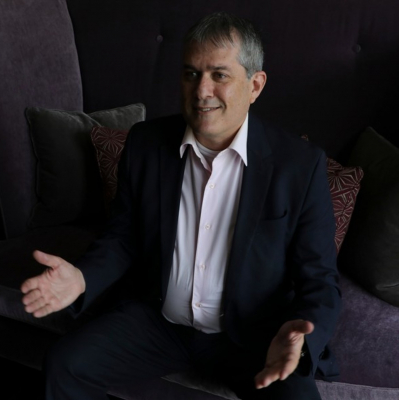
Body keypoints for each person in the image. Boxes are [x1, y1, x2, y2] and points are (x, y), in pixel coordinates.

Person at [20, 12, 340, 400]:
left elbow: (320, 279)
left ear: (255, 85)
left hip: (252, 336)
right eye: (191, 74)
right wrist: (83, 278)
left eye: (219, 75)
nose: (201, 90)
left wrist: (300, 338)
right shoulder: (146, 143)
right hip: (159, 324)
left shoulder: (299, 165)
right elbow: (123, 238)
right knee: (65, 365)